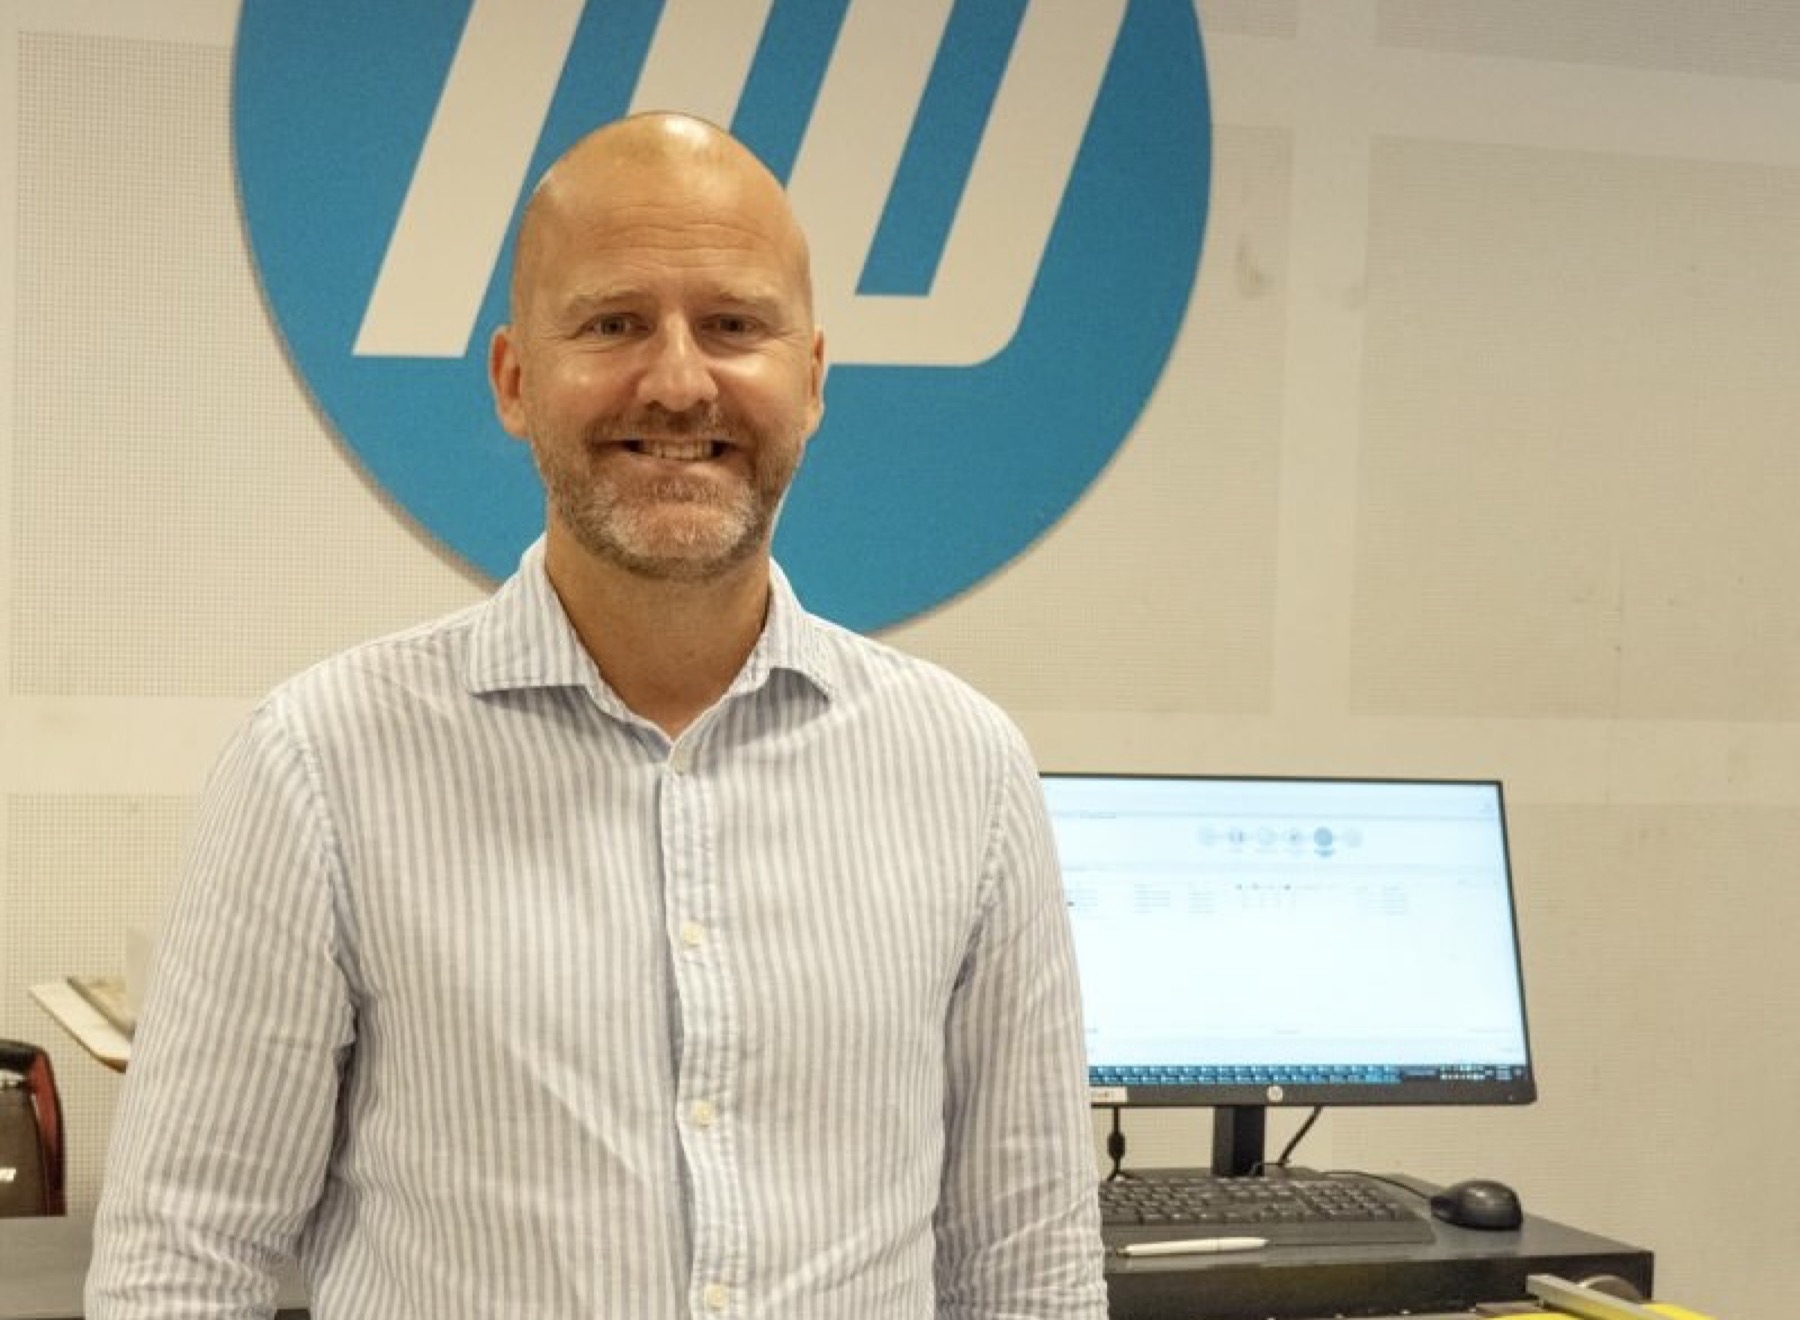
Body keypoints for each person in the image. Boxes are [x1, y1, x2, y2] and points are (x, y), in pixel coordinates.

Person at [88, 112, 1107, 1318]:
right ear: (516, 381)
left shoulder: (967, 772)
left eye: (733, 326)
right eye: (614, 323)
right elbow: (184, 1266)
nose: (678, 382)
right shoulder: (319, 765)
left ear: (813, 380)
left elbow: (1027, 1269)